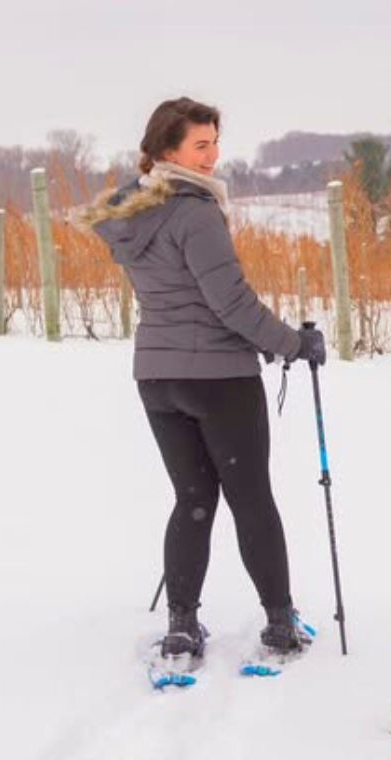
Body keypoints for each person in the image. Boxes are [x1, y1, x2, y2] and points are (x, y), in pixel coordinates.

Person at [74, 97, 326, 660]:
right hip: (218, 378)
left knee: (192, 497)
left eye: (215, 143)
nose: (212, 157)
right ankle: (281, 620)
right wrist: (294, 344)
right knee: (251, 497)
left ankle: (183, 623)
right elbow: (231, 303)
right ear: (168, 151)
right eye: (200, 145)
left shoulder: (134, 212)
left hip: (158, 379)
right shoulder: (195, 212)